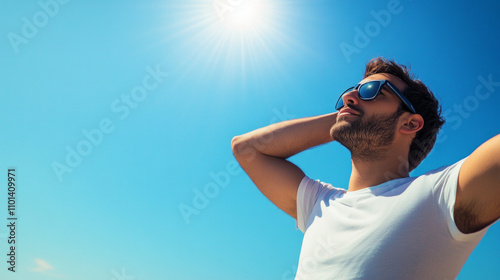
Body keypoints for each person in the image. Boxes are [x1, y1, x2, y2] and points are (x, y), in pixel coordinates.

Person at [231, 57, 500, 279]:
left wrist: (353, 115)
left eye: (372, 91)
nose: (349, 96)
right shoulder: (319, 204)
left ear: (409, 124)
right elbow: (246, 148)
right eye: (351, 91)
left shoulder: (439, 194)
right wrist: (346, 117)